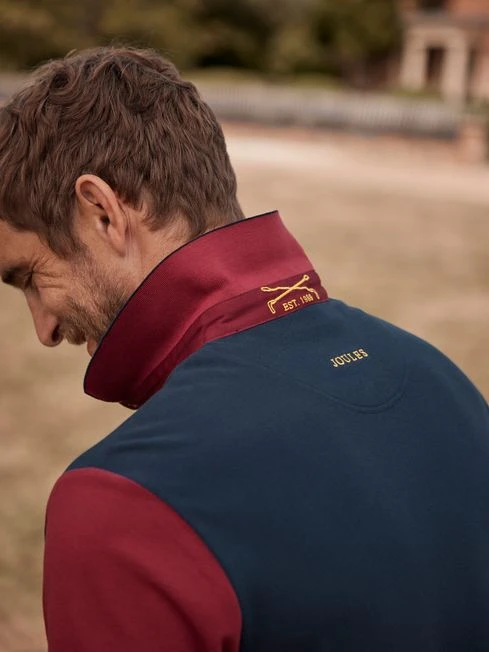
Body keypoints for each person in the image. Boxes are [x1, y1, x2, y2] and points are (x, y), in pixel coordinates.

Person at [0, 47, 488, 652]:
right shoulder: (445, 383)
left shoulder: (119, 504)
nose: (44, 327)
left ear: (103, 213)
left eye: (29, 277)